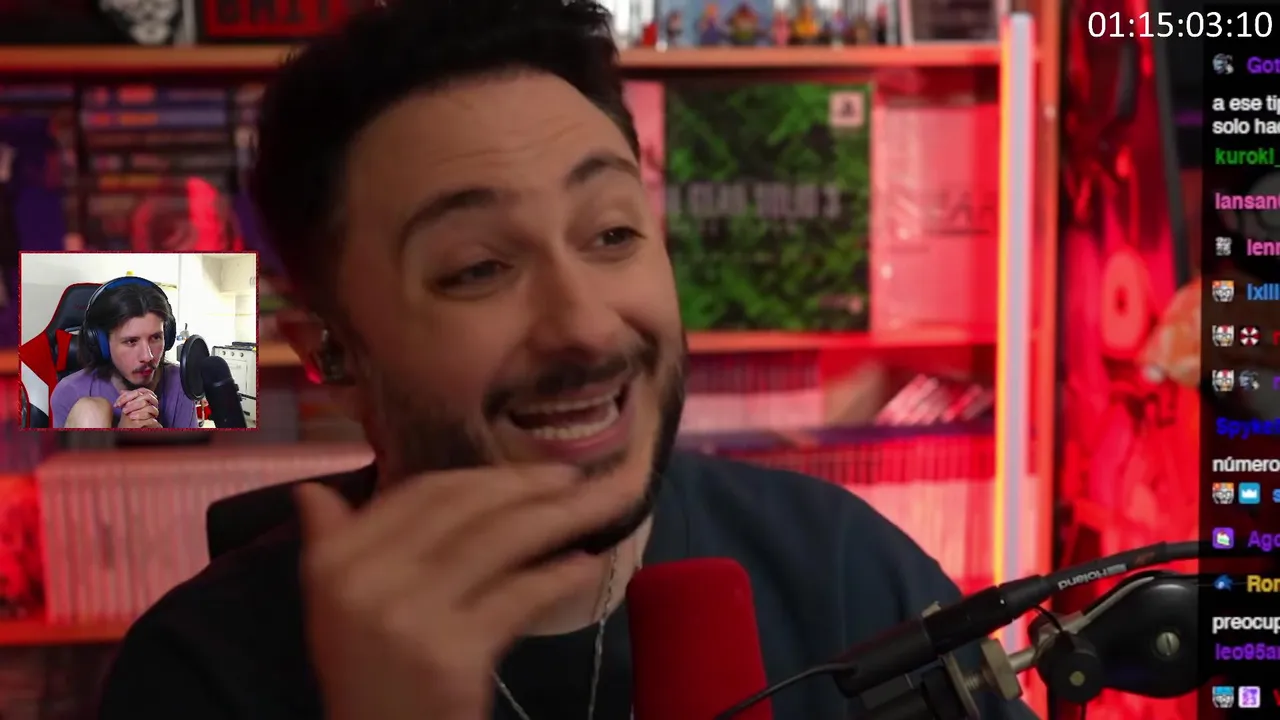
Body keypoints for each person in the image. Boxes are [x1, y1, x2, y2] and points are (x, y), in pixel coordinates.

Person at [97, 1, 1039, 718]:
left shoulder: (843, 571)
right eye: (477, 268)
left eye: (613, 233)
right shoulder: (201, 673)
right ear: (335, 357)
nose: (586, 327)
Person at [51, 277, 198, 429]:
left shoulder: (180, 383)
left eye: (155, 338)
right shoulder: (70, 392)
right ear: (103, 344)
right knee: (90, 410)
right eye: (131, 341)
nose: (147, 356)